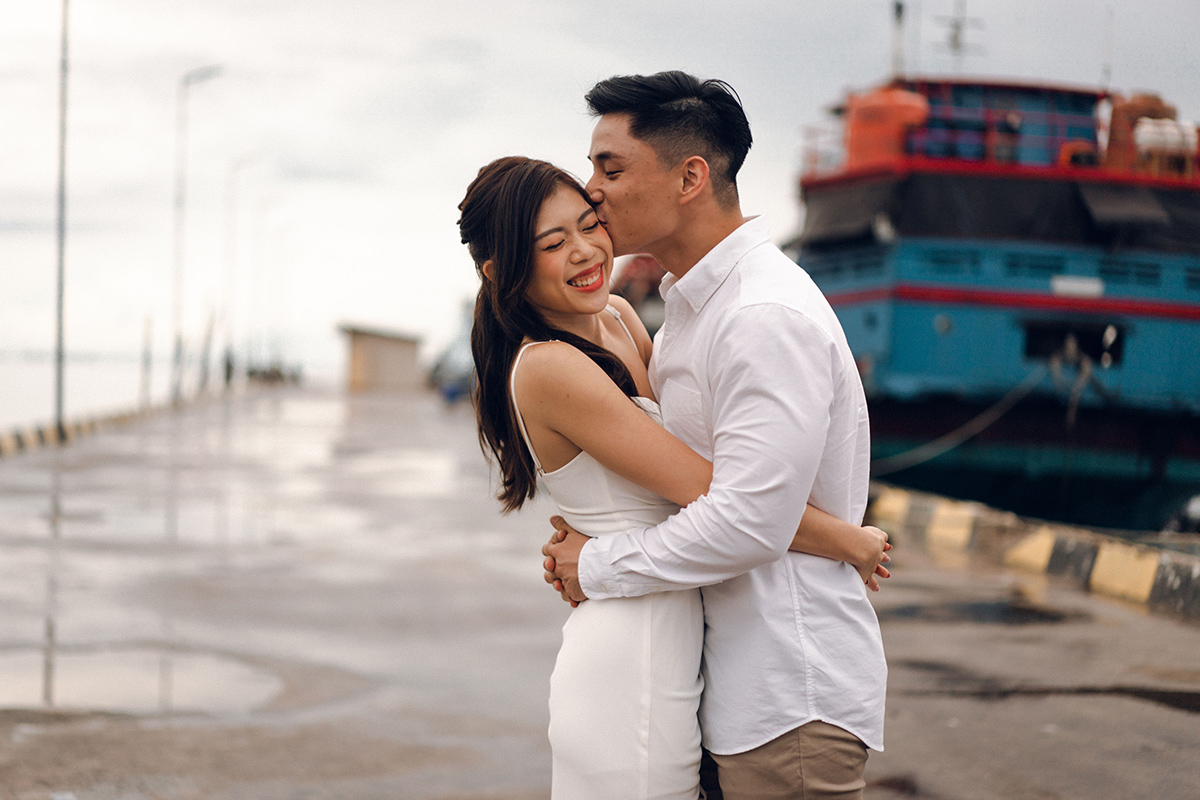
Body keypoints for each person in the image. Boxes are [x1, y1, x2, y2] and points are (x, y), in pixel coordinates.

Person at [458, 156, 889, 799]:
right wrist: (844, 539)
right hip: (630, 652)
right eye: (553, 244)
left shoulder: (620, 321)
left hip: (682, 633)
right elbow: (707, 488)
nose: (584, 252)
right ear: (500, 272)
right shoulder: (550, 367)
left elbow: (710, 462)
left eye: (587, 225)